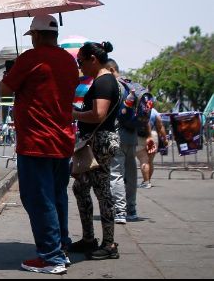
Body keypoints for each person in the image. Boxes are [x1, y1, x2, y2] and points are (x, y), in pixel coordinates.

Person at [0, 14, 79, 275]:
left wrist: (13, 71)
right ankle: (61, 248)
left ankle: (50, 257)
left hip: (36, 140)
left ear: (37, 35)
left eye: (32, 35)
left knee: (38, 197)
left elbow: (4, 89)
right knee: (57, 197)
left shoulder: (31, 59)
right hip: (62, 139)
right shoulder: (69, 61)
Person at [69, 42, 122, 261]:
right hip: (97, 141)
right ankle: (89, 238)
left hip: (99, 142)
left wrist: (74, 114)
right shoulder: (104, 81)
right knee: (81, 188)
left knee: (101, 192)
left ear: (93, 59)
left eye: (80, 61)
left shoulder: (104, 82)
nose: (79, 66)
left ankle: (108, 243)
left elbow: (98, 115)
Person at [105, 59, 156, 223]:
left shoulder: (115, 86)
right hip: (132, 136)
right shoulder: (133, 86)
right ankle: (132, 209)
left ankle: (119, 211)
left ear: (112, 69)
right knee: (131, 174)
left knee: (116, 174)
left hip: (117, 135)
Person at [136, 107, 167, 189]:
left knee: (143, 160)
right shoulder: (154, 111)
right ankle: (148, 181)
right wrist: (165, 139)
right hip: (153, 136)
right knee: (150, 161)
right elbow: (160, 125)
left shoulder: (136, 109)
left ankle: (146, 182)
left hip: (139, 137)